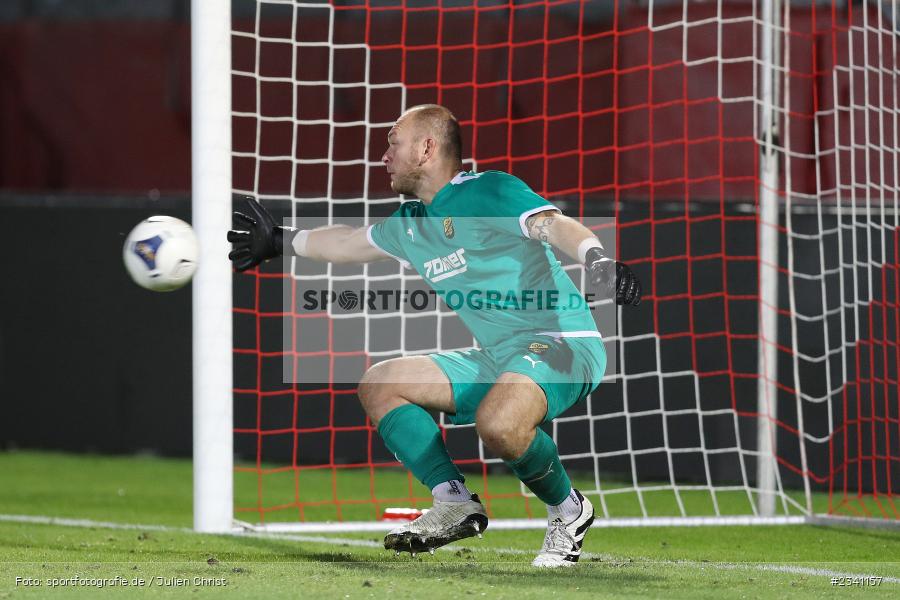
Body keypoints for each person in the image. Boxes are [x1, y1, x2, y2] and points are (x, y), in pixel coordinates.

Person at [227, 104, 641, 567]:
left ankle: (568, 510)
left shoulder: (490, 190)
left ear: (426, 149)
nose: (383, 155)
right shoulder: (410, 223)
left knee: (499, 423)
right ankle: (454, 501)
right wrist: (282, 240)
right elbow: (346, 243)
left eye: (393, 142)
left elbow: (553, 225)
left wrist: (597, 260)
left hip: (563, 342)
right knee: (380, 384)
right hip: (499, 356)